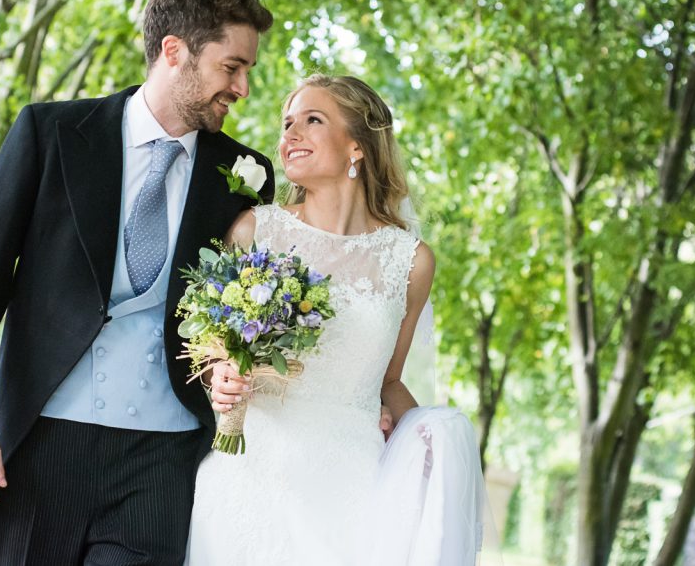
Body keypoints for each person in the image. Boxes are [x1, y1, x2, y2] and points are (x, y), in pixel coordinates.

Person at [0, 0, 275, 565]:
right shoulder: (51, 132)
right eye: (232, 67)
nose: (243, 87)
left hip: (165, 456)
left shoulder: (247, 174)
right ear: (175, 51)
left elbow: (257, 307)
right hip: (41, 441)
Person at [186, 74, 486, 565]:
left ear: (357, 147)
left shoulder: (410, 260)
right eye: (287, 123)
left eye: (312, 120)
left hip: (352, 490)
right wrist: (217, 375)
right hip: (249, 478)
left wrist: (431, 446)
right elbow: (211, 351)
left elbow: (388, 380)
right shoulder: (255, 230)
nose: (290, 134)